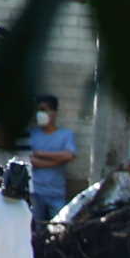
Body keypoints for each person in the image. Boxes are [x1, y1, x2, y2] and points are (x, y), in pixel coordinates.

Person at [26, 94, 79, 222]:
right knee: (35, 230)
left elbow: (69, 155)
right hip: (35, 192)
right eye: (38, 110)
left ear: (54, 112)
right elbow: (30, 160)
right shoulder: (31, 134)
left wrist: (40, 154)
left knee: (60, 227)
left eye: (44, 110)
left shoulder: (66, 134)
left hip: (57, 192)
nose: (40, 114)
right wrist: (57, 161)